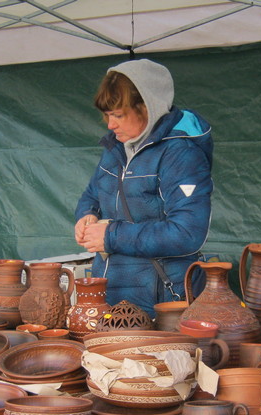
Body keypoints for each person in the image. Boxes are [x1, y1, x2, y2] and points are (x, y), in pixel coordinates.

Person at [74, 58, 213, 317]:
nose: (110, 125)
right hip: (110, 291)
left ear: (147, 107)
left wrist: (111, 236)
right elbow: (92, 194)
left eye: (118, 115)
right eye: (107, 115)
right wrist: (86, 215)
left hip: (161, 300)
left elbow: (187, 233)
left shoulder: (181, 155)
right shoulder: (116, 148)